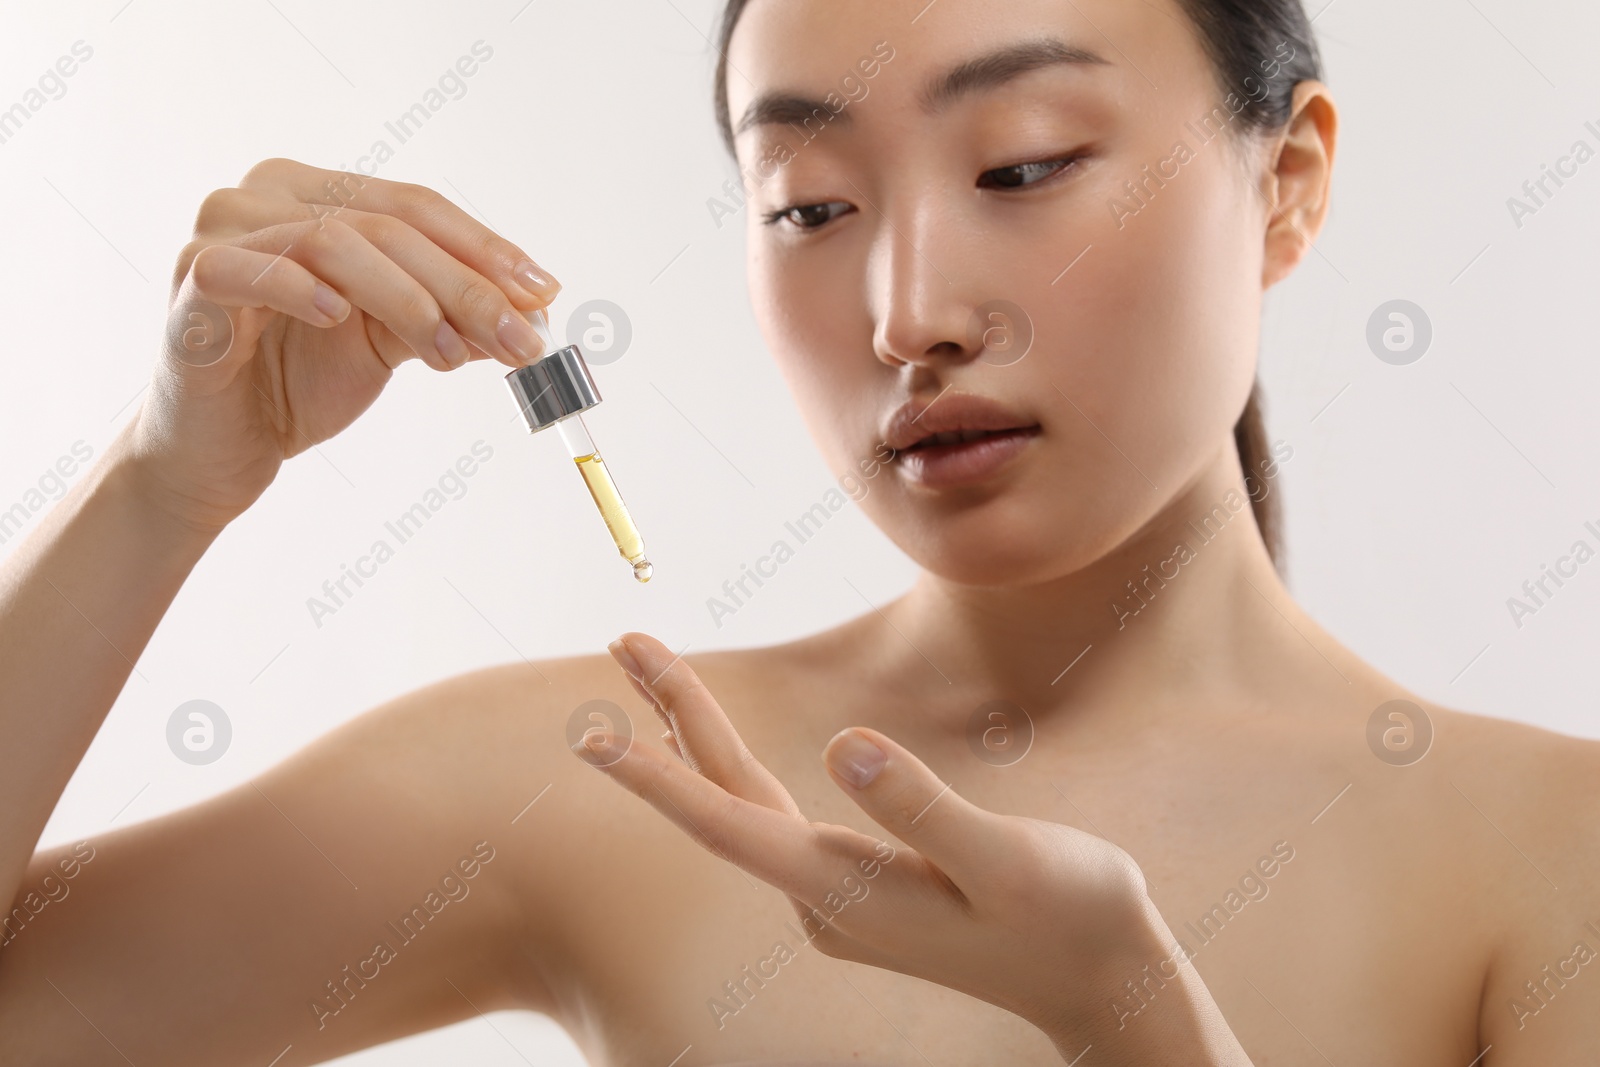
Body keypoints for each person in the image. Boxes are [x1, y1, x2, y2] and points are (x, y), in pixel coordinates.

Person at [2, 0, 1596, 1063]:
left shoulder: (1552, 858)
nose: (909, 312)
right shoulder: (621, 773)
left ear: (1290, 184)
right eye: (810, 207)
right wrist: (162, 488)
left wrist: (1135, 1020)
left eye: (1026, 164)